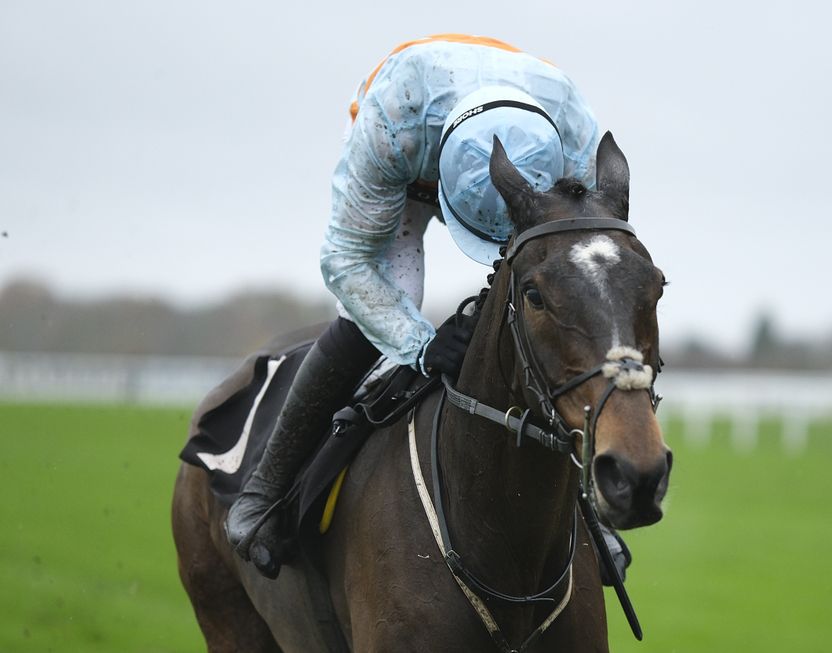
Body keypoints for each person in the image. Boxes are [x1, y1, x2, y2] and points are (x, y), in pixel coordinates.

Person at [225, 34, 624, 580]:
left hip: (525, 184)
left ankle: (593, 512)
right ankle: (263, 492)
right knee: (387, 309)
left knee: (553, 319)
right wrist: (421, 344)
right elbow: (347, 262)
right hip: (408, 165)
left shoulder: (571, 133)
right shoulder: (395, 122)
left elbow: (586, 267)